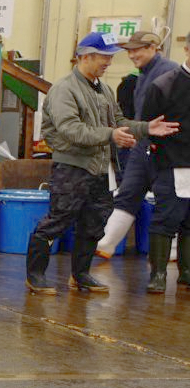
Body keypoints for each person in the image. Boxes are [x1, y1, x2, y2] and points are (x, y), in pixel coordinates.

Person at [28, 32, 177, 295]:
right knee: (58, 220)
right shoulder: (64, 89)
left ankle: (81, 275)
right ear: (85, 56)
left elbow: (119, 121)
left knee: (94, 221)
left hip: (100, 168)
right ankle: (36, 275)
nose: (108, 62)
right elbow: (71, 129)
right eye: (104, 57)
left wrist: (146, 128)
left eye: (110, 57)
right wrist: (111, 135)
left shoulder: (104, 89)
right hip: (72, 167)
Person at [96, 31, 181, 261]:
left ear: (154, 47)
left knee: (168, 200)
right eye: (130, 50)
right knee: (128, 192)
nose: (132, 54)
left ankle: (172, 253)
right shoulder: (143, 74)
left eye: (138, 49)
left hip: (167, 148)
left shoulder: (171, 72)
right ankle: (108, 243)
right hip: (142, 143)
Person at [144, 58, 190, 291]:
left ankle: (187, 271)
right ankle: (158, 274)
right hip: (173, 164)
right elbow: (148, 125)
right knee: (166, 219)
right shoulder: (164, 85)